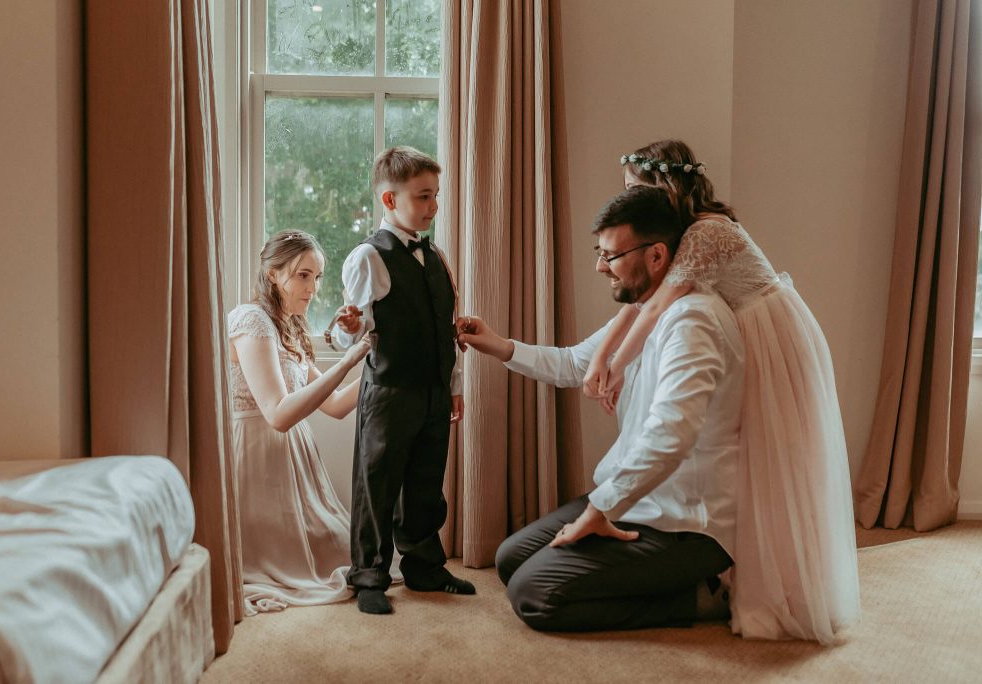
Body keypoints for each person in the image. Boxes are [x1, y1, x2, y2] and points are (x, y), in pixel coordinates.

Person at [583, 139, 859, 643]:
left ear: (664, 185)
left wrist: (617, 366)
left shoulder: (707, 230)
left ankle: (778, 589)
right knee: (745, 462)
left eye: (634, 188)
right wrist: (602, 355)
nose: (628, 198)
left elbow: (656, 304)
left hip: (769, 334)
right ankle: (728, 578)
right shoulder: (680, 234)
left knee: (771, 464)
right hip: (748, 328)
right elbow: (640, 301)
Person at [457, 184, 745, 632]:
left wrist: (599, 510)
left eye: (611, 255)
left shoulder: (694, 322)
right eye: (600, 252)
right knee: (510, 559)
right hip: (634, 500)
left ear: (656, 256)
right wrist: (497, 344)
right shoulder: (643, 312)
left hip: (683, 522)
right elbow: (574, 364)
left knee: (534, 596)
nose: (600, 266)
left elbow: (671, 434)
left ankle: (700, 596)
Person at [331, 146, 474, 615]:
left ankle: (424, 566)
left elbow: (446, 327)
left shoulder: (436, 256)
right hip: (389, 392)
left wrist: (453, 386)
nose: (433, 206)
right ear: (390, 200)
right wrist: (349, 328)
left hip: (433, 389)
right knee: (377, 484)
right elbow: (351, 330)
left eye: (435, 195)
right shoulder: (369, 257)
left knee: (426, 483)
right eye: (423, 196)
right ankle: (369, 575)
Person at [228, 230, 381, 615]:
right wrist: (347, 361)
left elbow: (335, 405)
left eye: (317, 277)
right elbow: (278, 414)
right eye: (303, 275)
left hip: (294, 460)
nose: (313, 288)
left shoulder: (289, 329)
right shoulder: (251, 320)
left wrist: (377, 364)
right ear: (273, 274)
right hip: (256, 457)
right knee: (280, 563)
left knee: (343, 549)